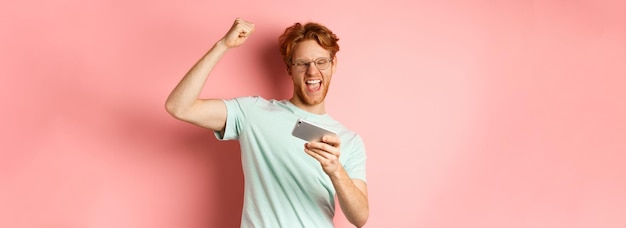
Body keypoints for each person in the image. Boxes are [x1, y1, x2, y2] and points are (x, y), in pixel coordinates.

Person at [165, 18, 369, 228]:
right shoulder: (253, 113)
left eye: (321, 62)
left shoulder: (349, 140)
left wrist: (336, 170)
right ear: (289, 68)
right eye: (302, 63)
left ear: (333, 64)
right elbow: (179, 106)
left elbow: (360, 217)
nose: (312, 72)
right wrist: (223, 45)